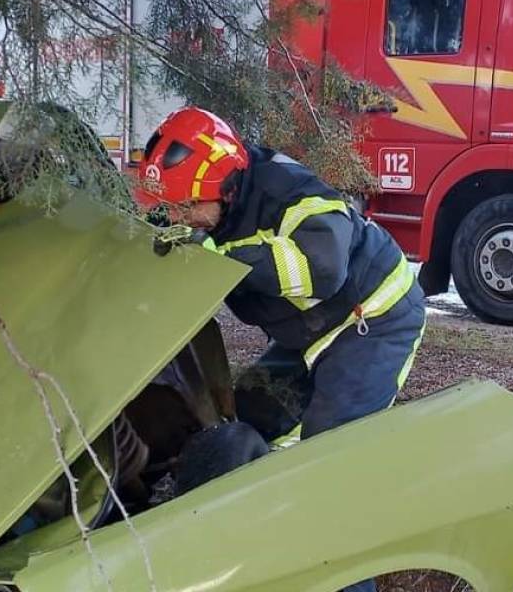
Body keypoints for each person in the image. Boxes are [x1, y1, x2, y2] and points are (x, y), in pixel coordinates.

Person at [135, 106, 426, 452]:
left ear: (226, 191)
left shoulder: (286, 193)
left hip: (373, 316)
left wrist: (221, 261)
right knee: (250, 414)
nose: (175, 216)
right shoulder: (221, 205)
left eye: (186, 207)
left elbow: (322, 268)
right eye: (168, 206)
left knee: (331, 445)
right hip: (308, 331)